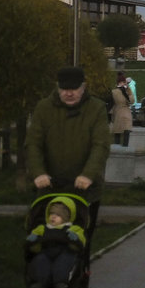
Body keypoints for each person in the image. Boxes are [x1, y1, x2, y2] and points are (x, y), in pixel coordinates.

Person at [26, 66, 110, 262]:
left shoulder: (96, 109)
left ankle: (79, 280)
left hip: (85, 191)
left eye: (74, 88)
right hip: (50, 188)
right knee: (44, 235)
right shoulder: (44, 108)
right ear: (57, 87)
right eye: (64, 89)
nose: (69, 93)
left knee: (81, 239)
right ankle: (42, 276)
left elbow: (101, 145)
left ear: (84, 87)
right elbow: (33, 144)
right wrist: (38, 173)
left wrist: (88, 175)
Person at [25, 196, 86, 288]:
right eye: (51, 213)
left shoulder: (74, 229)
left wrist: (76, 239)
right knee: (40, 260)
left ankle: (61, 283)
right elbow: (34, 246)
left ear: (66, 217)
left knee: (63, 262)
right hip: (45, 252)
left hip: (66, 252)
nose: (53, 216)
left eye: (58, 215)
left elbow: (80, 242)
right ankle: (40, 283)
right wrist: (33, 239)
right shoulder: (42, 228)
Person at [110, 72, 134, 146]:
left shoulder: (114, 92)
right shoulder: (115, 92)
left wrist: (127, 91)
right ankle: (123, 147)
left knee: (120, 131)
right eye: (124, 82)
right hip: (122, 112)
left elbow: (131, 101)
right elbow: (131, 101)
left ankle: (120, 147)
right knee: (123, 131)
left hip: (120, 112)